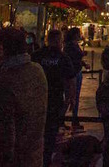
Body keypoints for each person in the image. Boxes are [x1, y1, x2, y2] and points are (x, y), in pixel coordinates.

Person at [0, 27, 48, 167]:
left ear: (1, 48)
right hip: (34, 157)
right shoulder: (38, 71)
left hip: (14, 160)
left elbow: (3, 136)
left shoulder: (4, 82)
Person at [33, 30, 77, 167]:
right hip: (54, 100)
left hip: (37, 99)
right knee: (50, 132)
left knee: (37, 132)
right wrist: (71, 97)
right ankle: (45, 159)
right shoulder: (62, 57)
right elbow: (71, 79)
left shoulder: (37, 55)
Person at [64, 28, 89, 131]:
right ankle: (68, 119)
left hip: (75, 72)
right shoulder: (70, 45)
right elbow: (73, 58)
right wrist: (82, 55)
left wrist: (83, 63)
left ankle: (73, 118)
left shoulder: (72, 44)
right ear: (75, 35)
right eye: (79, 34)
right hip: (72, 74)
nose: (80, 35)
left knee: (73, 97)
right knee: (71, 97)